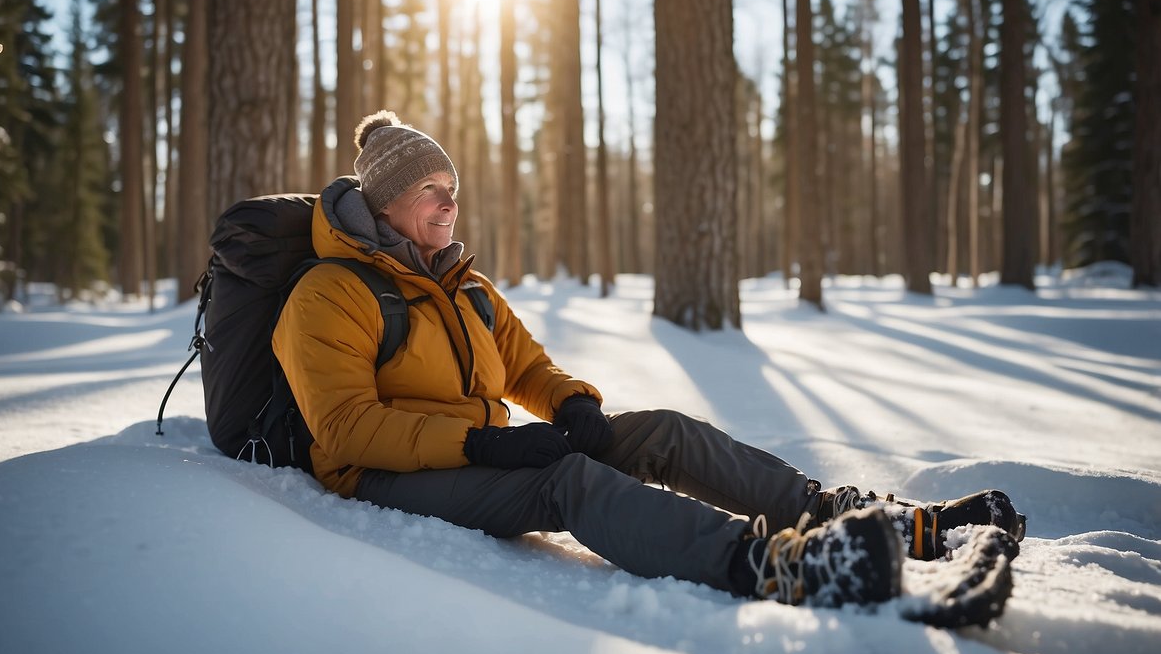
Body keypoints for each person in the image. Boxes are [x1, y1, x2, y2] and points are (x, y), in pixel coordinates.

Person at [272, 111, 1026, 608]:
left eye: (452, 189)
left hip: (483, 454)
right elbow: (343, 429)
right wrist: (479, 443)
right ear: (383, 203)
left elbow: (528, 367)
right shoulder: (330, 293)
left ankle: (847, 517)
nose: (447, 204)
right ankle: (777, 566)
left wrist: (570, 403)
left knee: (658, 429)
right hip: (385, 479)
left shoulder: (463, 286)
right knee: (567, 480)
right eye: (428, 191)